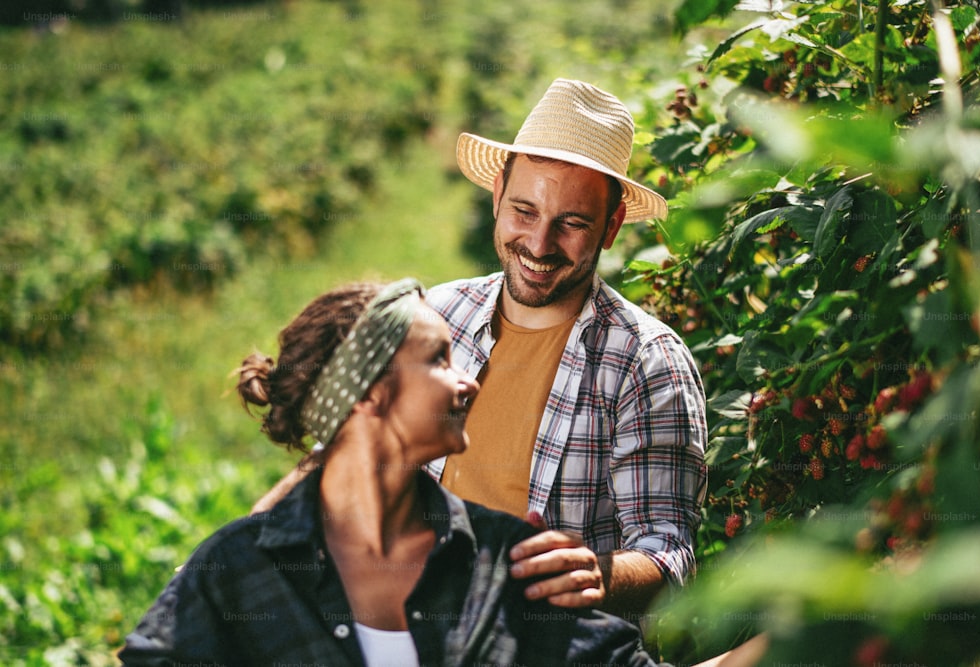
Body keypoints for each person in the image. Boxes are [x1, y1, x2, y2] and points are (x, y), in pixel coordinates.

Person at [252, 78, 709, 621]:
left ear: (610, 227)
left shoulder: (647, 361)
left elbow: (670, 554)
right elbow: (347, 455)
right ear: (497, 196)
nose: (539, 244)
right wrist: (242, 547)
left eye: (572, 223)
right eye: (524, 211)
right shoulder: (439, 317)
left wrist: (593, 574)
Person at [118, 279, 662, 666]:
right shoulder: (239, 570)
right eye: (439, 360)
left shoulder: (505, 561)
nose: (468, 382)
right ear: (371, 391)